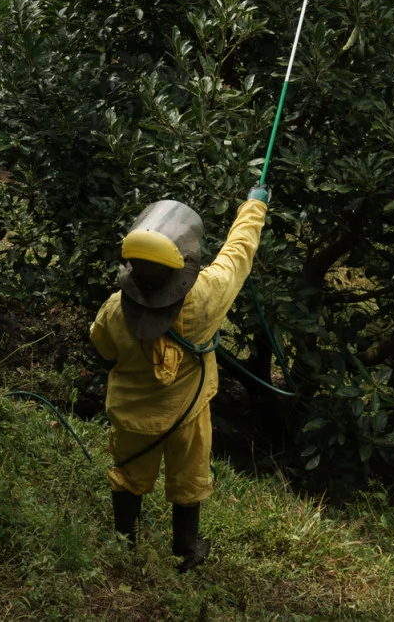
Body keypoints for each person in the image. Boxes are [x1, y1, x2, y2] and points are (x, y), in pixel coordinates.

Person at [88, 185, 270, 572]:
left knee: (128, 473)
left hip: (132, 417)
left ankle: (125, 543)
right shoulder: (206, 297)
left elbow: (103, 347)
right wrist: (255, 204)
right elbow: (238, 253)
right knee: (190, 476)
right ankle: (187, 548)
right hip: (187, 415)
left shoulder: (113, 310)